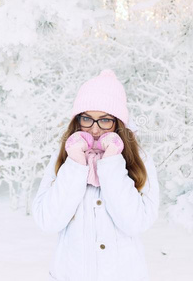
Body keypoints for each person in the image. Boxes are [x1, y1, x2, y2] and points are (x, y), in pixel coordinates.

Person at [31, 69, 160, 281]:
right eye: (87, 119)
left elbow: (135, 223)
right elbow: (48, 221)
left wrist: (111, 164)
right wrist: (75, 164)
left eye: (105, 120)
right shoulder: (64, 157)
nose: (95, 129)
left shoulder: (139, 160)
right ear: (77, 120)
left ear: (118, 122)